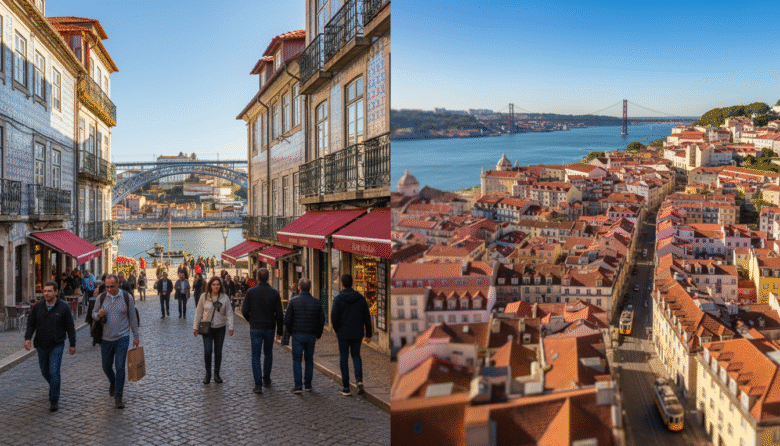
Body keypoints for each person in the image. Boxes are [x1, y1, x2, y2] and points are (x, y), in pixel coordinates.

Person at [24, 281, 76, 411]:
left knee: (54, 372)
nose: (46, 293)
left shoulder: (63, 307)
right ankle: (54, 385)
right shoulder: (38, 307)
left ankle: (54, 400)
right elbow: (31, 324)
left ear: (56, 292)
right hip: (41, 345)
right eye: (45, 291)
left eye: (49, 291)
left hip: (56, 344)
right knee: (44, 372)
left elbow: (70, 327)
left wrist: (72, 344)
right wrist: (27, 338)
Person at [93, 275, 140, 409]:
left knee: (120, 367)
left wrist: (136, 336)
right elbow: (93, 314)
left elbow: (133, 318)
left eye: (112, 286)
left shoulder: (127, 297)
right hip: (106, 338)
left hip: (122, 337)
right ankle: (113, 382)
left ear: (118, 284)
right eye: (107, 286)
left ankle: (118, 397)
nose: (109, 289)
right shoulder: (101, 297)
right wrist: (99, 315)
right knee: (106, 367)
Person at [241, 268, 283, 394]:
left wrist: (251, 321)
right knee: (268, 353)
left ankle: (258, 385)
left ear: (257, 278)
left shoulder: (251, 292)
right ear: (269, 278)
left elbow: (244, 311)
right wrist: (279, 331)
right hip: (270, 327)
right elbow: (280, 314)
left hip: (255, 327)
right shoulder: (274, 293)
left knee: (256, 355)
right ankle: (266, 380)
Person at [331, 274, 373, 396]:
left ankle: (346, 387)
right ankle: (359, 381)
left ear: (342, 284)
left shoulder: (338, 299)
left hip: (343, 334)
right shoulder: (360, 298)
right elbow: (367, 317)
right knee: (356, 356)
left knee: (343, 357)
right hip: (357, 333)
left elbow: (334, 318)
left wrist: (337, 330)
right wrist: (368, 334)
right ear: (352, 284)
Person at [284, 277, 324, 394]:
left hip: (297, 334)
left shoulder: (293, 301)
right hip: (311, 335)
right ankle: (308, 385)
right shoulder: (317, 302)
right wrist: (318, 334)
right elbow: (321, 320)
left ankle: (298, 386)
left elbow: (287, 319)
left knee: (297, 360)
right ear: (310, 288)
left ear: (299, 288)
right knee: (309, 359)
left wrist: (291, 332)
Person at [193, 277, 234, 384]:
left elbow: (229, 312)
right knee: (207, 351)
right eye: (214, 284)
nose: (216, 286)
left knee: (218, 352)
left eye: (218, 284)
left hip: (220, 328)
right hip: (207, 328)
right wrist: (195, 326)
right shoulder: (204, 297)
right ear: (210, 286)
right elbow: (198, 312)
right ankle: (208, 374)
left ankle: (216, 374)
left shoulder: (224, 297)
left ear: (221, 286)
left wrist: (231, 326)